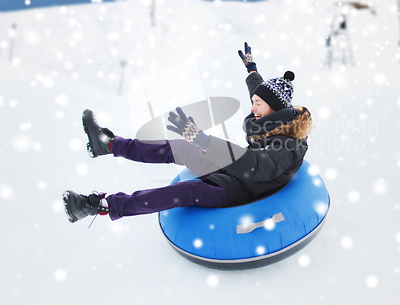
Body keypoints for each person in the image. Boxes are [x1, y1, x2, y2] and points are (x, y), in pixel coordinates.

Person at [62, 43, 313, 224]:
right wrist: (251, 70)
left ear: (274, 108)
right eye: (254, 101)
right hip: (232, 171)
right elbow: (259, 93)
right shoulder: (273, 116)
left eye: (258, 103)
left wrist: (204, 140)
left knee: (184, 192)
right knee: (182, 147)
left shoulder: (288, 145)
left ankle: (99, 205)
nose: (252, 106)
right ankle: (108, 145)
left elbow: (257, 166)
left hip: (243, 191)